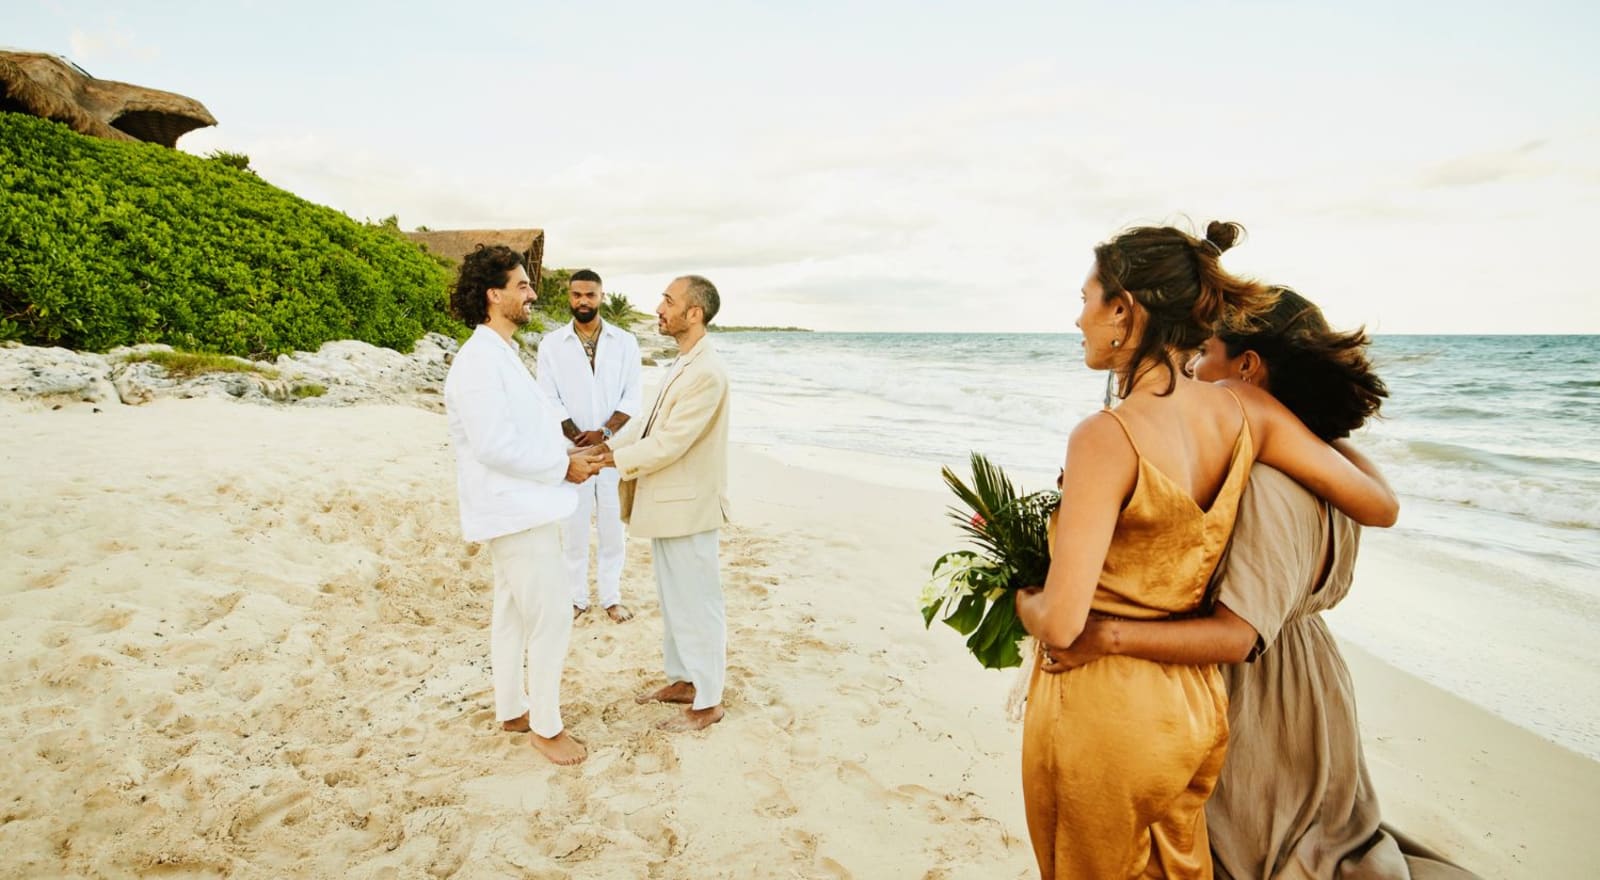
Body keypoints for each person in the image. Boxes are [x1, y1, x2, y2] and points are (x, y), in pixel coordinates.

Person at [1045, 288, 1478, 879]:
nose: (1194, 369)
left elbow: (1237, 636)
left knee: (1253, 850)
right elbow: (1383, 506)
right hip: (1311, 677)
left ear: (1247, 368)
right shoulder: (1329, 462)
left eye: (1206, 355)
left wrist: (1106, 637)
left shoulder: (1271, 485)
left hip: (1261, 695)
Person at [1013, 222, 1400, 879]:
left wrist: (1017, 593)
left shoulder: (1105, 437)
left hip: (1114, 710)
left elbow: (1064, 624)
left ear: (1123, 309)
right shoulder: (1247, 415)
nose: (1077, 318)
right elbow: (1380, 505)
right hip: (1196, 713)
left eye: (1085, 298)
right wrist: (1320, 433)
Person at [443, 244, 605, 766]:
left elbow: (525, 432)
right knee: (553, 616)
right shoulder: (477, 362)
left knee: (512, 613)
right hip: (514, 511)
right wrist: (563, 468)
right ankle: (546, 727)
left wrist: (570, 452)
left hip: (525, 505)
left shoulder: (501, 354)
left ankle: (513, 707)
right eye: (521, 285)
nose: (532, 293)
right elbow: (493, 445)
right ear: (494, 295)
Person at [594, 275, 730, 733]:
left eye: (668, 301)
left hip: (689, 507)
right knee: (675, 601)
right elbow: (649, 425)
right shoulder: (682, 363)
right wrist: (604, 448)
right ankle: (684, 680)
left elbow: (672, 442)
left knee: (699, 601)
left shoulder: (707, 371)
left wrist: (611, 461)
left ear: (695, 313)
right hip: (670, 505)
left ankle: (709, 700)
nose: (659, 308)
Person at [536, 268, 643, 623]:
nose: (583, 301)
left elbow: (633, 395)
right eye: (577, 295)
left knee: (613, 527)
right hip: (571, 449)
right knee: (574, 525)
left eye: (590, 295)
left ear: (601, 297)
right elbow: (547, 397)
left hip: (613, 450)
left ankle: (611, 597)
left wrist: (605, 434)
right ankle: (576, 598)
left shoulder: (625, 342)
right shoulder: (552, 344)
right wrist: (576, 434)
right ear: (569, 297)